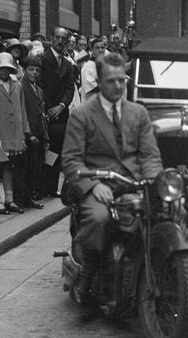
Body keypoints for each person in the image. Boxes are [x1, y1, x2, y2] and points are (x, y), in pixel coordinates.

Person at [61, 51, 163, 304]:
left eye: (122, 80)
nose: (117, 86)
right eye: (111, 81)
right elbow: (71, 161)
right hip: (99, 183)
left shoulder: (138, 113)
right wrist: (93, 187)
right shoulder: (82, 114)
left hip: (132, 183)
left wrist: (152, 180)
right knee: (99, 218)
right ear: (100, 82)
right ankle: (87, 274)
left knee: (166, 211)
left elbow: (150, 155)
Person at [0, 52, 31, 214]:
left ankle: (9, 199)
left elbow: (22, 111)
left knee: (8, 164)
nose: (4, 71)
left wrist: (25, 132)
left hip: (15, 133)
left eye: (7, 68)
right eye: (1, 68)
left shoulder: (17, 86)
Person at [40, 26, 77, 197]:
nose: (60, 41)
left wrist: (62, 105)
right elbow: (40, 86)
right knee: (45, 152)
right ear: (51, 38)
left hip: (61, 114)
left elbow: (70, 88)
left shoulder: (68, 64)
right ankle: (41, 186)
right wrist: (49, 108)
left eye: (64, 39)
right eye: (57, 38)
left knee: (57, 151)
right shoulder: (42, 59)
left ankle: (51, 186)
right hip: (46, 113)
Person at [18, 53, 47, 210]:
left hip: (38, 130)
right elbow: (21, 111)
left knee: (35, 166)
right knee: (25, 167)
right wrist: (28, 134)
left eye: (37, 70)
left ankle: (29, 197)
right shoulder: (20, 87)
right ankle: (22, 198)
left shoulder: (39, 90)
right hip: (27, 133)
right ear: (24, 70)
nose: (34, 73)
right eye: (31, 69)